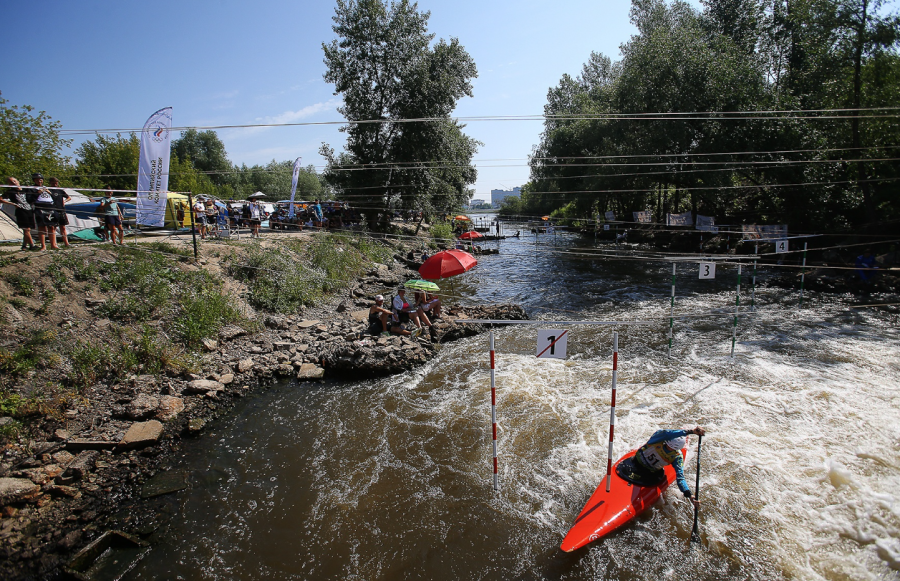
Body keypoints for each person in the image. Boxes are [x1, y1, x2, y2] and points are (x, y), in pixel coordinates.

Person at [631, 427, 705, 508]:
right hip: (635, 462)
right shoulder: (658, 438)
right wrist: (691, 431)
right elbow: (666, 433)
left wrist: (690, 495)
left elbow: (680, 478)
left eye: (672, 449)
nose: (669, 449)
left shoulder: (677, 457)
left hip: (649, 473)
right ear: (666, 441)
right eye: (668, 446)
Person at [0, 177, 36, 250]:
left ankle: (24, 246)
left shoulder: (25, 190)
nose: (13, 183)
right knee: (26, 229)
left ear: (17, 181)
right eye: (11, 182)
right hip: (20, 211)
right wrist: (13, 204)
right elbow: (0, 199)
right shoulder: (10, 192)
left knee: (28, 229)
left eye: (14, 181)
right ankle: (32, 245)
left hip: (29, 210)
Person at [30, 173, 58, 250]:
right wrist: (37, 193)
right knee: (42, 227)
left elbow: (56, 198)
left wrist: (50, 193)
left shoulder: (47, 188)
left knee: (52, 226)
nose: (39, 181)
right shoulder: (32, 189)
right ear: (34, 180)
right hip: (40, 207)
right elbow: (29, 199)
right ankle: (43, 246)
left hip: (50, 207)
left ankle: (53, 245)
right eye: (37, 180)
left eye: (40, 180)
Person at [47, 177, 71, 248]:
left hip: (61, 209)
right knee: (53, 227)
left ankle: (66, 243)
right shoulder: (48, 190)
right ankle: (54, 244)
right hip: (53, 210)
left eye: (56, 183)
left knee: (63, 227)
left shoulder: (60, 190)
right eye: (53, 183)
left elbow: (69, 197)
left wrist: (64, 201)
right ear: (50, 183)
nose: (55, 184)